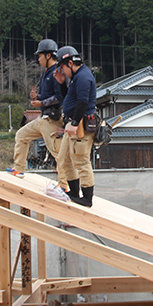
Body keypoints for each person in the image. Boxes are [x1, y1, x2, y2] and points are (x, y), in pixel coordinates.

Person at [10, 39, 65, 175]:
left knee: (57, 152)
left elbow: (60, 97)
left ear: (48, 55)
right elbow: (47, 95)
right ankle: (19, 169)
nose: (38, 59)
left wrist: (41, 103)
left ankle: (65, 185)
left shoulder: (57, 73)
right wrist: (38, 97)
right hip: (43, 117)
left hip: (52, 119)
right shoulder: (46, 73)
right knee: (21, 135)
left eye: (40, 55)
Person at [55, 46, 97, 206]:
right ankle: (73, 192)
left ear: (70, 63)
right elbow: (69, 99)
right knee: (64, 158)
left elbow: (82, 102)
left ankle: (87, 198)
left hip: (80, 124)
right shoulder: (77, 77)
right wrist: (61, 84)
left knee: (81, 160)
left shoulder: (83, 77)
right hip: (73, 122)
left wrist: (73, 123)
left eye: (63, 68)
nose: (62, 71)